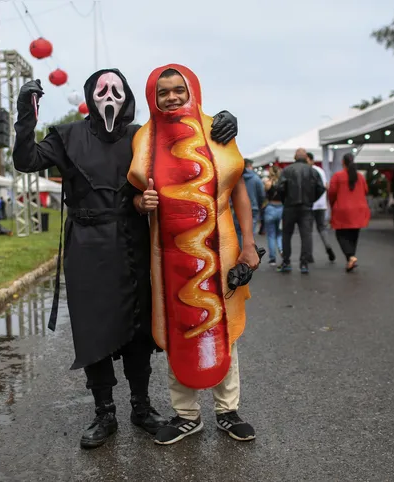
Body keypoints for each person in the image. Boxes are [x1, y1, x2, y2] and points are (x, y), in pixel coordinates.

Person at [12, 70, 239, 449]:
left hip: (134, 239)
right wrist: (25, 115)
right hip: (87, 243)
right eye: (101, 91)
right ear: (89, 95)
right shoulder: (67, 136)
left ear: (130, 95)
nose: (109, 97)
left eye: (117, 90)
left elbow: (189, 137)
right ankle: (104, 412)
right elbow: (26, 159)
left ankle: (141, 406)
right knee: (92, 326)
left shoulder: (142, 135)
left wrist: (223, 124)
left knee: (138, 328)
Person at [127, 64, 259, 446]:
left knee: (223, 324)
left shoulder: (217, 129)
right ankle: (186, 415)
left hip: (222, 245)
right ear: (153, 95)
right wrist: (141, 201)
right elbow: (133, 194)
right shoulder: (143, 139)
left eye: (177, 89)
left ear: (191, 90)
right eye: (163, 91)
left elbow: (239, 191)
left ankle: (227, 411)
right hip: (165, 254)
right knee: (176, 325)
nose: (171, 97)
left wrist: (249, 245)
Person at [276, 147, 325, 274]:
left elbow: (280, 188)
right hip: (306, 207)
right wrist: (312, 199)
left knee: (286, 235)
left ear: (294, 157)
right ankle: (304, 263)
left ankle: (286, 262)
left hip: (290, 206)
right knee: (306, 235)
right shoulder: (313, 171)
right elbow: (321, 188)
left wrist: (285, 200)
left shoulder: (287, 170)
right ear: (306, 158)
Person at [328, 153, 370, 272]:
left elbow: (331, 193)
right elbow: (366, 190)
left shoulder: (338, 176)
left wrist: (332, 205)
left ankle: (350, 257)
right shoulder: (360, 177)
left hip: (343, 209)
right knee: (353, 234)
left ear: (343, 162)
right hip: (359, 209)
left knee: (340, 234)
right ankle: (350, 259)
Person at [307, 152, 336, 261]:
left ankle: (309, 254)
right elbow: (326, 186)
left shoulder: (308, 171)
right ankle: (328, 248)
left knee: (308, 230)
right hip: (321, 204)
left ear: (310, 160)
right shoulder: (321, 171)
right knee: (322, 228)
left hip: (310, 204)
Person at [234, 159, 265, 246]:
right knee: (250, 233)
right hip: (253, 208)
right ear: (249, 166)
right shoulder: (256, 178)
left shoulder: (236, 178)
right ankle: (249, 252)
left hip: (238, 208)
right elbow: (262, 194)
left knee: (238, 231)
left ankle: (240, 252)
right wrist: (259, 205)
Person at [263, 168, 283, 265]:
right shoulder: (282, 184)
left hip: (270, 209)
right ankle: (282, 250)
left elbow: (264, 196)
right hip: (281, 209)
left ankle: (272, 259)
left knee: (271, 235)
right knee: (280, 234)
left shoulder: (267, 183)